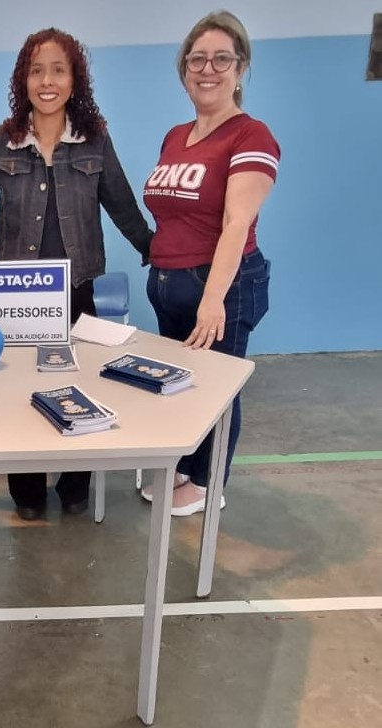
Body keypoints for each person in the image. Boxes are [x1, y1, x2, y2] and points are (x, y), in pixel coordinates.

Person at [0, 27, 153, 521]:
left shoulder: (95, 142)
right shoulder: (2, 141)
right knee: (20, 391)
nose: (47, 81)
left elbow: (122, 205)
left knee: (80, 388)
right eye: (36, 70)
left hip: (77, 291)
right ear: (23, 79)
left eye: (58, 70)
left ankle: (75, 484)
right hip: (16, 297)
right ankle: (28, 492)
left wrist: (155, 249)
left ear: (74, 80)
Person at [142, 10, 280, 516]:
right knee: (182, 383)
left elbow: (236, 222)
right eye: (197, 59)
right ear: (184, 69)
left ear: (240, 68)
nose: (208, 69)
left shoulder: (251, 136)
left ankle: (207, 483)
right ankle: (185, 464)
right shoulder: (176, 135)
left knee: (217, 390)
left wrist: (213, 299)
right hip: (170, 284)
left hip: (221, 286)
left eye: (222, 59)